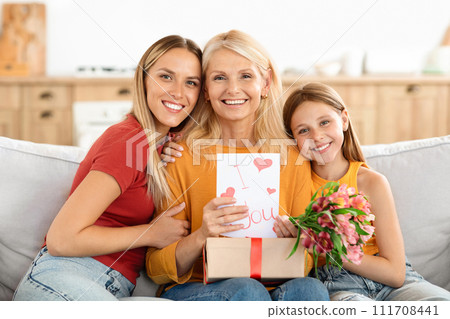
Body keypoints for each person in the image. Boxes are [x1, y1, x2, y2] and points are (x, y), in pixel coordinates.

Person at [13, 35, 203, 301]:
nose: (178, 92)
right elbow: (61, 239)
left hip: (102, 284)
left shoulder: (157, 144)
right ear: (144, 79)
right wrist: (150, 233)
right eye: (166, 76)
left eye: (191, 82)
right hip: (66, 277)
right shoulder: (128, 141)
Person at [146, 30, 330, 301]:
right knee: (246, 288)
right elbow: (155, 269)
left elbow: (310, 261)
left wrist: (297, 243)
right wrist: (201, 236)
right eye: (220, 78)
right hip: (198, 286)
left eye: (246, 76)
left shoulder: (292, 157)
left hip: (274, 283)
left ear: (265, 83)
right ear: (206, 90)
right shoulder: (181, 156)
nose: (233, 89)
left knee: (310, 288)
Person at [280, 82, 450, 301]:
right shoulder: (293, 186)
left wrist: (326, 247)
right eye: (304, 130)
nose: (317, 136)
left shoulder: (372, 182)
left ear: (344, 120)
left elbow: (396, 274)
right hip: (338, 286)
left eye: (324, 122)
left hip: (395, 285)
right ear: (293, 139)